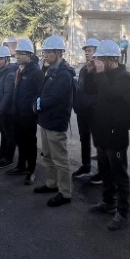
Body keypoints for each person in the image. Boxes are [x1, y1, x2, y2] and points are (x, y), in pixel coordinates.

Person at [85, 39, 130, 230]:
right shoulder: (103, 74)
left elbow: (111, 95)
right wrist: (90, 72)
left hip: (116, 134)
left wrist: (99, 74)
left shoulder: (124, 77)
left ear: (111, 59)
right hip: (102, 132)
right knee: (105, 170)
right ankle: (108, 202)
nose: (97, 61)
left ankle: (123, 212)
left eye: (100, 59)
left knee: (119, 174)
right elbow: (89, 90)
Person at [33, 35, 76, 208]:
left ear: (59, 53)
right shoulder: (51, 70)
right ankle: (51, 184)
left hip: (56, 121)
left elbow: (55, 97)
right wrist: (37, 102)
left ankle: (65, 193)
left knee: (60, 159)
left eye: (49, 52)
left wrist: (38, 105)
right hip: (46, 120)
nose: (45, 55)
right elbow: (42, 91)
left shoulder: (64, 74)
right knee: (48, 156)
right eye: (45, 51)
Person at [8, 38, 44, 185]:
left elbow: (40, 93)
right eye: (17, 53)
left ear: (29, 55)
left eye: (21, 54)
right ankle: (21, 166)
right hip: (17, 113)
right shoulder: (19, 70)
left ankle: (31, 170)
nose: (17, 56)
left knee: (30, 143)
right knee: (20, 141)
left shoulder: (36, 72)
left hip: (28, 115)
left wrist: (33, 108)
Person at [72, 38, 100, 178]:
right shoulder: (84, 69)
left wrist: (93, 70)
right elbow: (81, 88)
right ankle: (86, 166)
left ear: (97, 52)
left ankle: (102, 171)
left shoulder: (100, 70)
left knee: (99, 140)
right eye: (86, 51)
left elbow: (97, 90)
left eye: (90, 50)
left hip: (94, 111)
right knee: (84, 139)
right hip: (82, 110)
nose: (87, 53)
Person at [0, 45, 17, 169]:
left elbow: (8, 94)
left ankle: (9, 158)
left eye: (1, 59)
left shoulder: (10, 73)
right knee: (4, 134)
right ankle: (2, 153)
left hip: (6, 111)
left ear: (8, 59)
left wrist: (0, 109)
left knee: (9, 135)